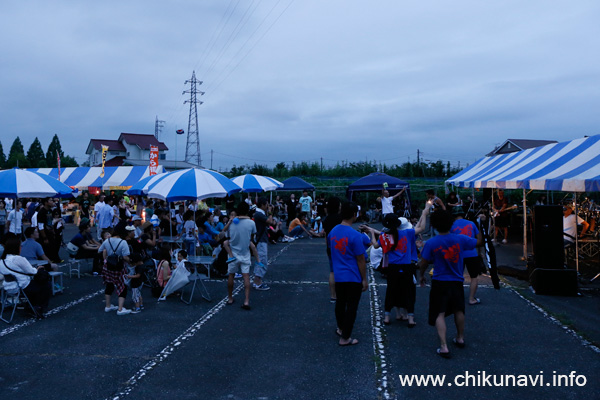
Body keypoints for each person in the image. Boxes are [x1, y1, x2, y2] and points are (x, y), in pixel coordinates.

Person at [418, 210, 478, 358]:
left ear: (435, 225)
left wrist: (421, 276)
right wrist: (479, 227)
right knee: (459, 310)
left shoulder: (431, 242)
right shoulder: (461, 239)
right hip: (457, 281)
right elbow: (478, 242)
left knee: (439, 312)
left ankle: (444, 346)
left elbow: (424, 262)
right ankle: (460, 338)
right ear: (451, 223)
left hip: (440, 281)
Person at [365, 208, 430, 326]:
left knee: (391, 290)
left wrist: (372, 234)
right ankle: (410, 318)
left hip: (392, 267)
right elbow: (421, 228)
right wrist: (424, 214)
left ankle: (387, 317)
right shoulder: (407, 233)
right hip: (407, 267)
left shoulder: (384, 236)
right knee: (409, 292)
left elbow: (374, 246)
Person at [328, 201, 368, 346]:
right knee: (352, 307)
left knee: (340, 303)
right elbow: (361, 260)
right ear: (354, 215)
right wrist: (364, 279)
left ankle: (340, 328)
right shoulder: (355, 235)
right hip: (352, 276)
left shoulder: (333, 232)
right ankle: (345, 337)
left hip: (339, 275)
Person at [0, 237, 52, 316]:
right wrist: (39, 268)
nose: (21, 248)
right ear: (16, 247)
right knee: (45, 284)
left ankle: (32, 305)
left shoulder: (2, 261)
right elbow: (32, 271)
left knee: (36, 283)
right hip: (22, 287)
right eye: (20, 246)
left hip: (8, 288)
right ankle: (38, 307)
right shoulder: (18, 259)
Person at [451, 207, 484, 305]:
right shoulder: (471, 224)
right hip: (472, 253)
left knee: (457, 276)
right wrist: (479, 252)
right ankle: (471, 299)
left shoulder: (451, 225)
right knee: (474, 277)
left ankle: (457, 298)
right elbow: (479, 240)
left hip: (457, 254)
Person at [226, 202, 256, 310]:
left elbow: (227, 235)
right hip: (245, 252)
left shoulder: (232, 222)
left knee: (231, 275)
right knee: (246, 276)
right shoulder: (251, 223)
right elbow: (252, 237)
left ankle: (230, 298)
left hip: (233, 253)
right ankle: (246, 300)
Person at [99, 228, 133, 315]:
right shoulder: (123, 242)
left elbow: (100, 250)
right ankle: (120, 309)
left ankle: (108, 306)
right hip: (119, 267)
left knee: (109, 284)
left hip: (108, 266)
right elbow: (125, 257)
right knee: (122, 286)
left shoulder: (107, 241)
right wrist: (130, 261)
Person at [323, 196, 343, 303]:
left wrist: (328, 247)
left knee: (332, 272)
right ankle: (341, 293)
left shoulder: (327, 219)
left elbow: (326, 236)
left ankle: (333, 295)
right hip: (341, 247)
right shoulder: (341, 218)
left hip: (330, 247)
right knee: (342, 270)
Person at [252, 197, 271, 291]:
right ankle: (257, 282)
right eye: (266, 204)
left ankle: (257, 280)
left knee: (260, 259)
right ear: (263, 205)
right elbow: (271, 222)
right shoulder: (259, 214)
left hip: (260, 239)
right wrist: (271, 212)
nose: (268, 206)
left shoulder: (259, 213)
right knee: (262, 260)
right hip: (261, 240)